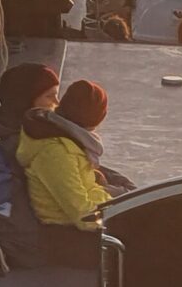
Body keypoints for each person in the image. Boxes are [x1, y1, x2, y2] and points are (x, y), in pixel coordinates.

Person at [17, 79, 118, 230]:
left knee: (129, 192)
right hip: (64, 231)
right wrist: (120, 218)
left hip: (88, 212)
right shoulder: (55, 152)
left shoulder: (66, 134)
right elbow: (84, 216)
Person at [0, 62, 61, 152]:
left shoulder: (15, 129)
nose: (57, 102)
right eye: (49, 96)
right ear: (25, 101)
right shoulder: (25, 145)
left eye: (56, 95)